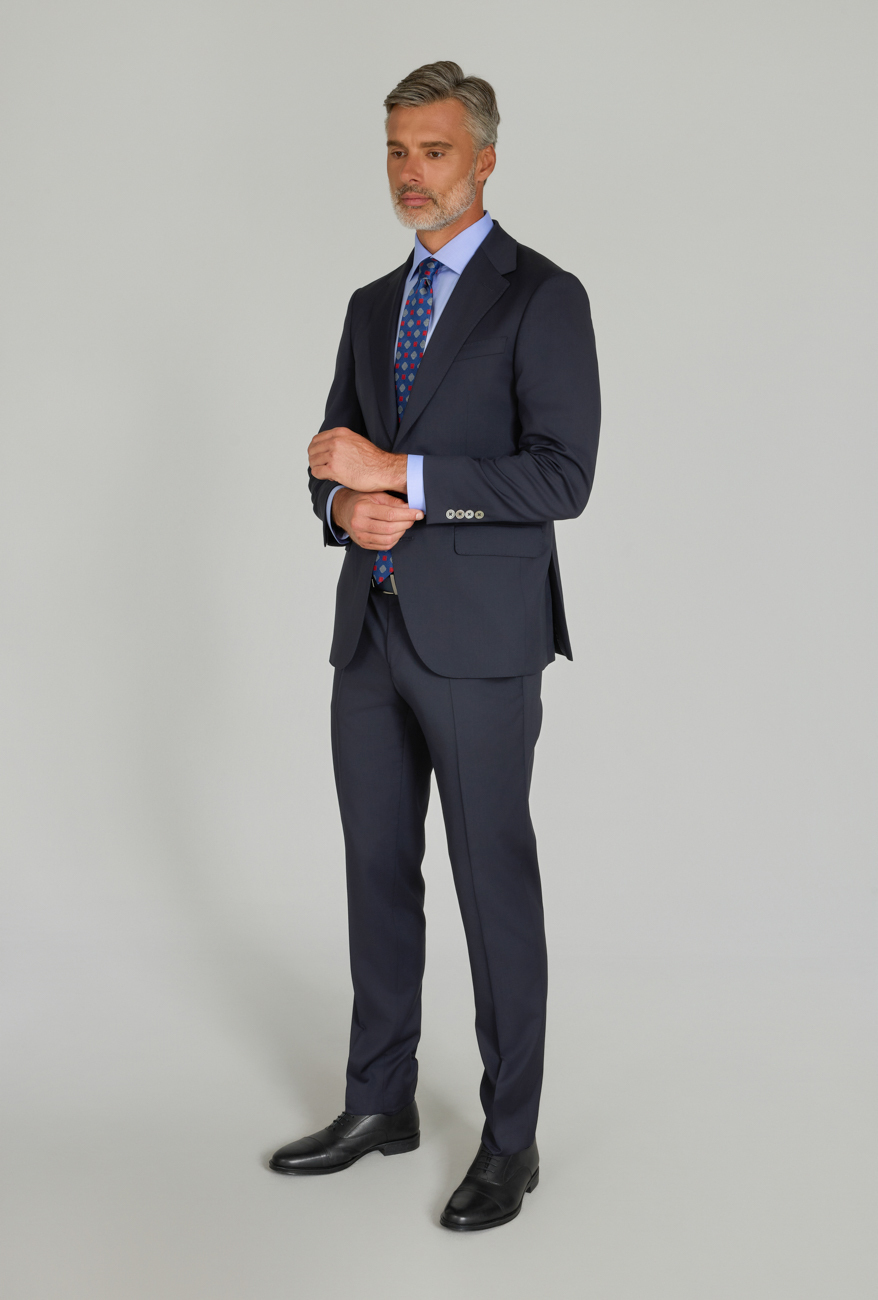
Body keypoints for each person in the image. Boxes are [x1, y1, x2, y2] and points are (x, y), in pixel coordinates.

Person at [269, 60, 600, 1232]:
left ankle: (510, 1141)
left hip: (480, 642)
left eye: (435, 151)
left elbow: (562, 477)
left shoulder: (539, 295)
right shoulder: (372, 304)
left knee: (488, 880)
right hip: (369, 630)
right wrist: (341, 508)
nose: (411, 173)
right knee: (374, 869)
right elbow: (330, 456)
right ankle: (380, 1100)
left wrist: (400, 476)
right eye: (397, 152)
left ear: (484, 159)